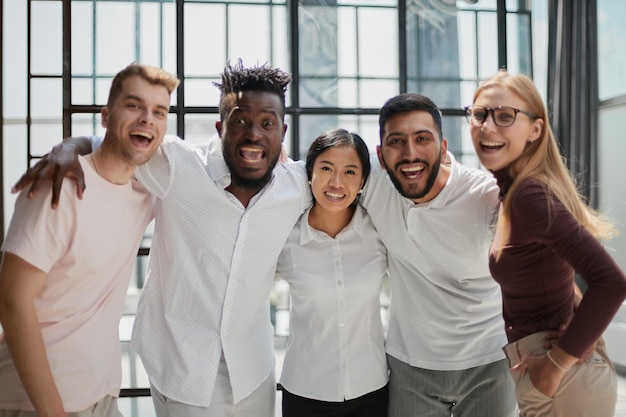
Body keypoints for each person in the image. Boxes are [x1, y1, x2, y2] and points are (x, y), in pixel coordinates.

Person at [11, 60, 312, 417]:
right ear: (220, 127)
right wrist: (68, 148)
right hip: (180, 368)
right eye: (240, 120)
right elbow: (117, 145)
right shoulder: (178, 166)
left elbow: (350, 179)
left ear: (283, 131)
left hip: (253, 370)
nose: (253, 134)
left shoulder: (297, 186)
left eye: (267, 123)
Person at [0, 63, 179, 417]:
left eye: (159, 112)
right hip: (36, 403)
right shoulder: (59, 189)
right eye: (134, 105)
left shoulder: (148, 187)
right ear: (105, 116)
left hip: (101, 397)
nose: (147, 118)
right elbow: (11, 301)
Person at [465, 69, 626, 417]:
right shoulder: (513, 192)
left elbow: (612, 282)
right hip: (553, 374)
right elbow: (555, 266)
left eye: (505, 116)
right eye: (479, 114)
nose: (488, 127)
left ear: (535, 129)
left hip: (561, 383)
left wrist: (555, 364)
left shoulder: (529, 196)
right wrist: (577, 322)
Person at [359, 93, 518, 417]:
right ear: (380, 153)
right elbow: (308, 170)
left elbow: (543, 262)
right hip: (410, 365)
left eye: (422, 138)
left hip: (488, 360)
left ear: (443, 147)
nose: (410, 153)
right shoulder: (374, 183)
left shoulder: (485, 195)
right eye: (396, 141)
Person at [276, 128, 388, 417]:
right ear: (309, 172)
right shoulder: (285, 235)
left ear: (363, 181)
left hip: (371, 388)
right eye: (326, 168)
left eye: (350, 172)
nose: (337, 182)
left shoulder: (379, 231)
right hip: (305, 390)